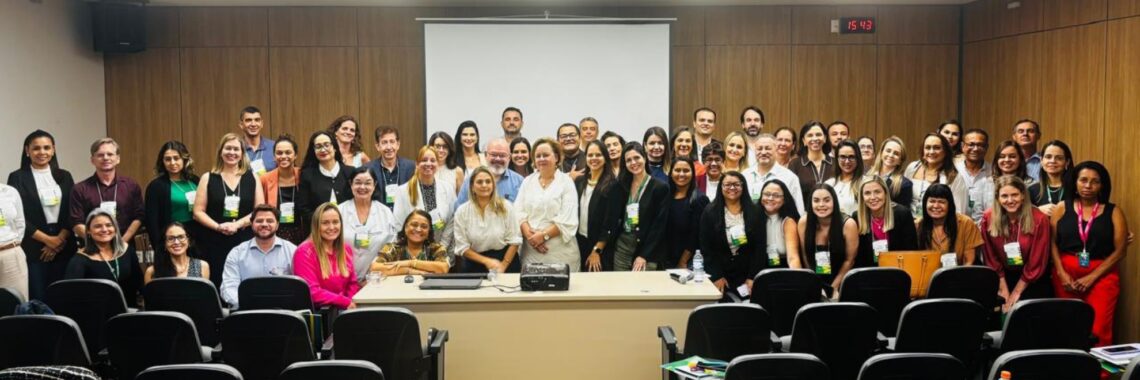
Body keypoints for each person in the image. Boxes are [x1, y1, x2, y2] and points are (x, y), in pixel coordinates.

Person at [1051, 161, 1127, 346]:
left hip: (1102, 275)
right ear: (1075, 183)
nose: (1088, 186)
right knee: (1068, 325)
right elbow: (1052, 243)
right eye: (1083, 180)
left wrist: (1091, 277)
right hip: (1065, 274)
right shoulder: (1062, 207)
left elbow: (1120, 251)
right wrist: (1061, 273)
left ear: (1102, 186)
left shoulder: (1113, 211)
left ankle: (1099, 373)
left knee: (1099, 328)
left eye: (1095, 181)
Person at [8, 130, 75, 301]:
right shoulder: (17, 177)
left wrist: (59, 239)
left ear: (53, 150)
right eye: (36, 148)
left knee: (65, 295)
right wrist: (47, 240)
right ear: (27, 151)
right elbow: (17, 215)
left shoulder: (65, 176)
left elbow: (72, 210)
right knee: (39, 296)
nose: (42, 152)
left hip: (64, 243)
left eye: (46, 148)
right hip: (34, 244)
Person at [193, 133, 265, 287]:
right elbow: (198, 212)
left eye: (236, 149)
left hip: (244, 239)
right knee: (217, 280)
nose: (232, 153)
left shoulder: (252, 177)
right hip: (213, 240)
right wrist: (219, 227)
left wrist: (236, 225)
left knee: (245, 280)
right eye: (228, 148)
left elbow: (259, 210)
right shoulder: (208, 177)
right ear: (221, 151)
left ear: (242, 153)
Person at [982, 175, 1052, 312]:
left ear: (1023, 196)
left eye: (1015, 195)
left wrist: (1016, 292)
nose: (1010, 200)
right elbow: (990, 256)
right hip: (1002, 276)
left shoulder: (1039, 219)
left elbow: (1036, 261)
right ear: (997, 198)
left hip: (1033, 280)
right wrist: (1004, 289)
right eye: (1004, 196)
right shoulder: (988, 217)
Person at [69, 138, 144, 258]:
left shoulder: (131, 185)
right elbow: (76, 222)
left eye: (110, 154)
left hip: (125, 248)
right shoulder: (80, 189)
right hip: (93, 252)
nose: (105, 158)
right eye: (100, 155)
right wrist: (99, 242)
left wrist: (121, 242)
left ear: (118, 158)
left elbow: (139, 216)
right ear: (92, 160)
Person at [515, 138, 581, 271]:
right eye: (538, 156)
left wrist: (543, 236)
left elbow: (567, 218)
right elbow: (518, 212)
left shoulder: (566, 182)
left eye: (545, 155)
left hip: (561, 253)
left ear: (556, 157)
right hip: (531, 252)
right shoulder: (527, 181)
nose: (541, 159)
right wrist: (531, 237)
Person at [700, 172, 764, 297]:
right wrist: (716, 276)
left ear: (743, 187)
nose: (732, 188)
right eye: (727, 185)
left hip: (747, 274)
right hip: (720, 274)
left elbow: (759, 248)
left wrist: (752, 277)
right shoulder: (710, 212)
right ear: (721, 187)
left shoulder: (755, 211)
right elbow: (706, 248)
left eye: (736, 184)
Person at [220, 204, 298, 309]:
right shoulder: (237, 253)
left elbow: (299, 287)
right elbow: (228, 288)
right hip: (246, 312)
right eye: (259, 221)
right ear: (252, 224)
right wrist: (248, 305)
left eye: (270, 221)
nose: (264, 224)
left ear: (278, 225)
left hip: (284, 312)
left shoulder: (293, 251)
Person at [611, 142, 669, 271]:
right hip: (622, 248)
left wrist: (644, 255)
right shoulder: (621, 186)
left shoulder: (659, 187)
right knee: (621, 289)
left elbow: (659, 226)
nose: (633, 163)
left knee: (643, 289)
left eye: (637, 157)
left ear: (645, 157)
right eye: (628, 160)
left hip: (646, 250)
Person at [66, 209, 142, 307]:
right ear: (88, 231)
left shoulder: (127, 250)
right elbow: (71, 295)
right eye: (98, 226)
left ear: (115, 228)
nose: (104, 230)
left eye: (109, 225)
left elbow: (138, 281)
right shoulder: (79, 260)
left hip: (129, 311)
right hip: (97, 315)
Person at [454, 167, 522, 273]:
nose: (484, 185)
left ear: (493, 185)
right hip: (474, 263)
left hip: (506, 261)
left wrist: (503, 266)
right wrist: (486, 261)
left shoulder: (506, 207)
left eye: (488, 181)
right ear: (472, 187)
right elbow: (462, 247)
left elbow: (515, 240)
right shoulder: (462, 211)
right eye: (479, 182)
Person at [294, 203, 359, 310]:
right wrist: (345, 302)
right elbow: (312, 292)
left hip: (345, 310)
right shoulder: (304, 252)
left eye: (335, 222)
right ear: (316, 225)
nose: (331, 227)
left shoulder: (346, 249)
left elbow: (352, 284)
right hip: (321, 315)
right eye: (325, 223)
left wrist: (350, 303)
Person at [798, 184, 859, 298]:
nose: (821, 205)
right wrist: (815, 284)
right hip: (813, 281)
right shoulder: (804, 222)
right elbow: (805, 256)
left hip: (840, 280)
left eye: (826, 200)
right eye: (816, 201)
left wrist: (832, 288)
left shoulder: (848, 224)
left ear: (834, 202)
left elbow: (849, 261)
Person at [393, 146, 457, 251]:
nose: (428, 164)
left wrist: (442, 246)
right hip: (413, 252)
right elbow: (399, 224)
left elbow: (452, 220)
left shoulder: (448, 188)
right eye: (424, 160)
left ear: (438, 164)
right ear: (417, 164)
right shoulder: (403, 191)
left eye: (433, 160)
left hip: (442, 250)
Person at [338, 167, 397, 281]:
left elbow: (391, 247)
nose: (362, 187)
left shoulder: (385, 212)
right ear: (351, 184)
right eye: (358, 182)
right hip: (343, 278)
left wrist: (373, 275)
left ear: (374, 185)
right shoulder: (339, 211)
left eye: (368, 183)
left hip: (376, 278)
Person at [144, 141, 199, 262]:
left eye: (176, 158)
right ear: (162, 162)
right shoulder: (156, 186)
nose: (172, 163)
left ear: (184, 159)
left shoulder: (195, 181)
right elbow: (152, 222)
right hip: (172, 240)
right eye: (167, 159)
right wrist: (159, 247)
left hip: (196, 238)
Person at [852, 177, 917, 267]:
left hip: (898, 270)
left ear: (886, 193)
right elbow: (859, 257)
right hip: (869, 273)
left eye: (877, 192)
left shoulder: (902, 214)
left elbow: (911, 252)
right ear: (862, 197)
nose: (873, 197)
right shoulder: (857, 217)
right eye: (867, 193)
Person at [297, 130, 354, 232]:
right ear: (313, 151)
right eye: (318, 146)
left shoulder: (351, 172)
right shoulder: (307, 175)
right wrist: (323, 224)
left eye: (326, 145)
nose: (323, 150)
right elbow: (303, 208)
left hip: (350, 229)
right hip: (319, 231)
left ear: (334, 147)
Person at [576, 141, 620, 272]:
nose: (594, 158)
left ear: (605, 158)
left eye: (598, 155)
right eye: (590, 155)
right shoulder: (579, 182)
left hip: (600, 247)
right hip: (580, 242)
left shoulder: (613, 185)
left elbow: (611, 223)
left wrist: (597, 251)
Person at [916, 184, 983, 266]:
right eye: (932, 201)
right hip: (929, 275)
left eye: (941, 202)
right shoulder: (918, 226)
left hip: (960, 274)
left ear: (950, 205)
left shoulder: (966, 223)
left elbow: (969, 261)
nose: (936, 206)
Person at [904, 133, 968, 217]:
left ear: (945, 151)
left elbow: (959, 212)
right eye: (927, 147)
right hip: (910, 224)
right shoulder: (912, 168)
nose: (931, 151)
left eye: (937, 148)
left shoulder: (954, 177)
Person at [663, 157, 709, 269]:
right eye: (677, 170)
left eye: (686, 170)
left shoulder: (699, 199)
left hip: (688, 262)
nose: (682, 174)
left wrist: (683, 261)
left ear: (693, 174)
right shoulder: (665, 196)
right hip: (666, 258)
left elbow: (696, 235)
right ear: (671, 173)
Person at [372, 210, 451, 276]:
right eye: (414, 225)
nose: (418, 229)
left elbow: (443, 269)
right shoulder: (392, 248)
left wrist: (411, 263)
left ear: (429, 232)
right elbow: (374, 268)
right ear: (405, 227)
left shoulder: (436, 249)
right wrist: (407, 270)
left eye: (424, 226)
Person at [742, 133, 804, 213]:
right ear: (755, 150)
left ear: (776, 150)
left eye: (768, 148)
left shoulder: (790, 177)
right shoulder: (745, 175)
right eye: (759, 149)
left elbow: (799, 210)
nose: (763, 152)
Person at [260, 135, 305, 244]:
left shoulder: (304, 176)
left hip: (302, 233)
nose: (283, 156)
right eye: (279, 153)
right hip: (274, 234)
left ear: (295, 155)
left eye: (288, 152)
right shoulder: (264, 179)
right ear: (274, 156)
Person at [456, 138, 524, 204]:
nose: (498, 159)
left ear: (509, 157)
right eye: (493, 155)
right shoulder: (471, 179)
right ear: (485, 155)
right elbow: (459, 209)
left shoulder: (519, 182)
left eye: (502, 155)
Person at [365, 126, 416, 209]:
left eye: (392, 142)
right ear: (378, 146)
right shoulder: (368, 169)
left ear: (398, 144)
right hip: (380, 217)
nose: (389, 147)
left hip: (405, 217)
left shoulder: (411, 167)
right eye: (384, 142)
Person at [144, 222, 208, 284]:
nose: (176, 242)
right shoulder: (152, 272)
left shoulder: (202, 266)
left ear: (189, 241)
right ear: (164, 244)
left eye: (181, 237)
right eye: (171, 238)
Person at [759, 179, 801, 269]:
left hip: (783, 268)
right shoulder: (755, 217)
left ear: (784, 199)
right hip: (758, 268)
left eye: (776, 195)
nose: (770, 198)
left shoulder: (788, 221)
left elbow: (793, 257)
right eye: (766, 194)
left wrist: (797, 279)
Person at [791, 121, 834, 207]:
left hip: (833, 214)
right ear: (804, 141)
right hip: (805, 215)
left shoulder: (836, 163)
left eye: (818, 135)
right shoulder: (795, 164)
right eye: (810, 135)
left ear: (825, 138)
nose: (815, 138)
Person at [955, 129, 993, 224]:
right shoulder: (953, 172)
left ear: (987, 147)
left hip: (986, 231)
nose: (975, 149)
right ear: (962, 146)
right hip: (958, 229)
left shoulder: (994, 173)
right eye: (971, 144)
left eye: (980, 145)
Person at [1028, 140, 1073, 216]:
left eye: (1059, 158)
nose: (1052, 161)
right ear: (1041, 161)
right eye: (1048, 157)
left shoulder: (1075, 189)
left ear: (1067, 162)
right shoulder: (1031, 190)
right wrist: (1037, 210)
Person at [824, 140, 869, 216]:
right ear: (837, 158)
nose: (847, 161)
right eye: (843, 157)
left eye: (851, 157)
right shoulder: (829, 184)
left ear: (858, 159)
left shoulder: (866, 183)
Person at [0, 182, 27, 299]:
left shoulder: (9, 191)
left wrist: (13, 245)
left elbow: (20, 222)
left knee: (18, 302)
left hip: (10, 253)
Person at [870, 136, 914, 210]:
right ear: (881, 153)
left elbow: (903, 214)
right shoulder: (867, 176)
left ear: (900, 161)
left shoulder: (904, 184)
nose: (891, 155)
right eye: (888, 151)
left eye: (896, 153)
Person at [238, 106, 275, 176]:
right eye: (248, 120)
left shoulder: (274, 147)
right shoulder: (235, 148)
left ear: (262, 124)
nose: (253, 124)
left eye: (257, 120)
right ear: (241, 125)